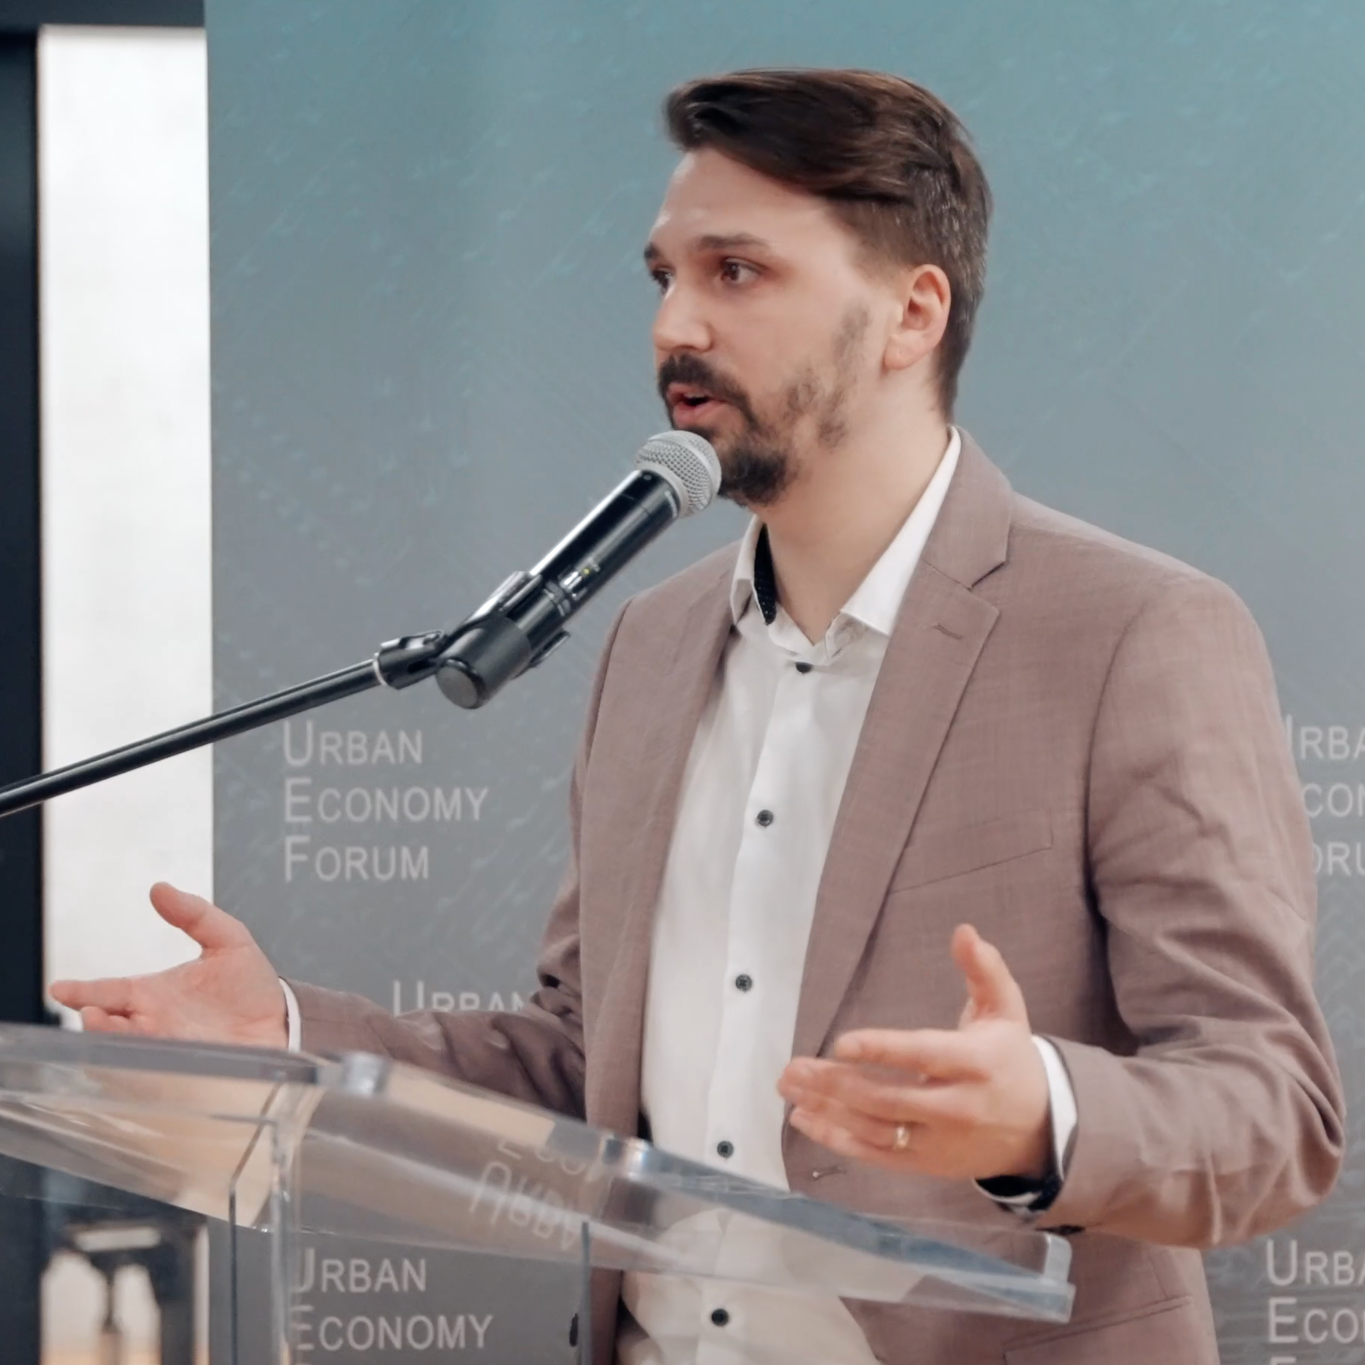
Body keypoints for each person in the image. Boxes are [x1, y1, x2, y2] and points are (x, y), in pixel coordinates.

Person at [51, 68, 1343, 1365]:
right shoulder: (651, 645)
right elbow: (584, 1069)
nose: (676, 325)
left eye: (737, 272)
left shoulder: (1132, 632)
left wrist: (1042, 1117)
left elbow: (1274, 1114)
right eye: (664, 276)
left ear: (911, 313)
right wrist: (281, 1035)